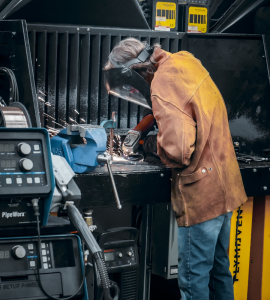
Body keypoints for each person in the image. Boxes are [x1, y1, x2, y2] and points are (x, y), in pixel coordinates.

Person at [104, 38, 247, 300]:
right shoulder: (183, 60)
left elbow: (178, 151)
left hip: (203, 195)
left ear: (134, 72)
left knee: (193, 283)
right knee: (219, 274)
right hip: (225, 186)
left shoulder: (162, 83)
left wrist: (149, 145)